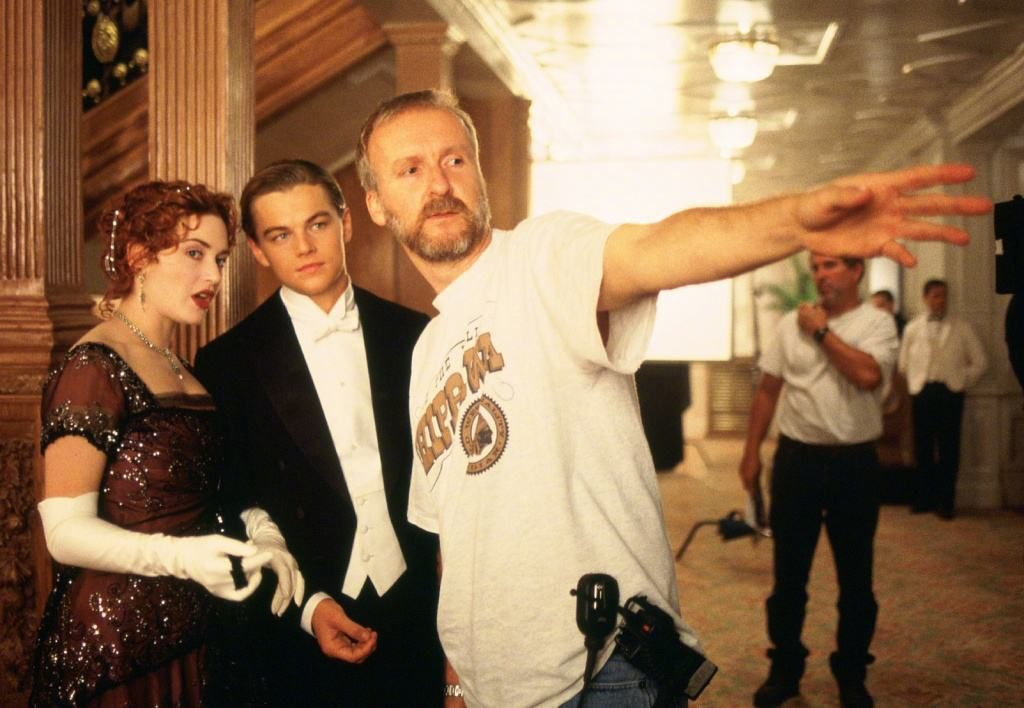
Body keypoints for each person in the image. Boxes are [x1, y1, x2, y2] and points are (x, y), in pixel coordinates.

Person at [354, 88, 991, 707]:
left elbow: (655, 250)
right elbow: (453, 542)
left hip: (598, 672)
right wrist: (458, 683)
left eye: (454, 159)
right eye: (410, 169)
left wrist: (796, 221)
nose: (439, 183)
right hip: (492, 684)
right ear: (378, 204)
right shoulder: (427, 353)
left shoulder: (541, 257)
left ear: (479, 172)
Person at [32, 180, 304, 707]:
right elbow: (63, 534)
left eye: (220, 258)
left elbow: (210, 489)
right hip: (119, 648)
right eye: (194, 254)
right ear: (139, 257)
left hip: (198, 634)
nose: (214, 276)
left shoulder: (183, 367)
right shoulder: (93, 366)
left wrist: (263, 533)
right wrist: (181, 559)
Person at [193, 159, 444, 706]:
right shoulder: (226, 363)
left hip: (420, 613)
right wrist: (307, 609)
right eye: (281, 235)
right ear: (258, 250)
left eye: (318, 224)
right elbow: (228, 507)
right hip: (302, 625)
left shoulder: (413, 335)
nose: (304, 247)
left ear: (345, 223)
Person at [739, 254, 897, 708]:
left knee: (856, 581)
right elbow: (768, 389)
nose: (820, 275)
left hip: (854, 465)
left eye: (830, 266)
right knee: (788, 579)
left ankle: (851, 674)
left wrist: (822, 333)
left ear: (856, 271)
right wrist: (751, 452)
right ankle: (785, 670)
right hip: (797, 461)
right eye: (816, 267)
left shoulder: (877, 323)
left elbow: (867, 376)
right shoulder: (790, 324)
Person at [898, 279, 988, 519]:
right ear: (925, 297)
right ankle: (925, 498)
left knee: (949, 448)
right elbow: (903, 363)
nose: (941, 300)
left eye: (944, 296)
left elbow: (981, 362)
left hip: (950, 393)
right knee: (923, 447)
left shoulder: (962, 327)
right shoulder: (913, 328)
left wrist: (959, 380)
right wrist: (916, 383)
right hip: (923, 392)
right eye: (936, 295)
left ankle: (946, 501)